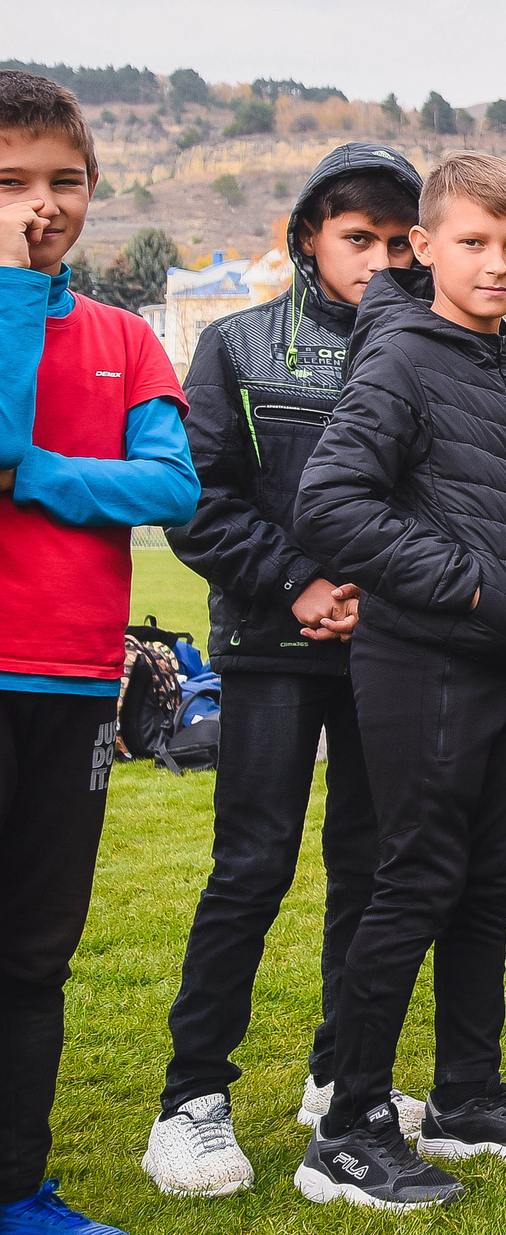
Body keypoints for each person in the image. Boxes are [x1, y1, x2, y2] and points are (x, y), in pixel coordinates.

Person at [291, 150, 506, 1208]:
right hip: (430, 656)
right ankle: (350, 1124)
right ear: (424, 245)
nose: (499, 264)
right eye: (475, 242)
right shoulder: (405, 356)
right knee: (413, 880)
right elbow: (329, 503)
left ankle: (466, 1092)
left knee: (479, 885)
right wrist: (465, 586)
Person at [145, 143, 426, 1198]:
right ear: (308, 236)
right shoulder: (237, 344)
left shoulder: (432, 349)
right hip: (269, 651)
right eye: (359, 238)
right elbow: (196, 497)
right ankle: (191, 1102)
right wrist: (300, 581)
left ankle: (339, 1077)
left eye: (400, 241)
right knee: (250, 868)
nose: (380, 258)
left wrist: (382, 598)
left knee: (370, 870)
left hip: (390, 654)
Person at [0, 71, 198, 1235]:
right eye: (11, 181)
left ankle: (18, 1189)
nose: (42, 201)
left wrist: (49, 479)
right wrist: (18, 290)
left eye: (63, 181)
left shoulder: (124, 336)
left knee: (34, 952)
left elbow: (172, 481)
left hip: (73, 679)